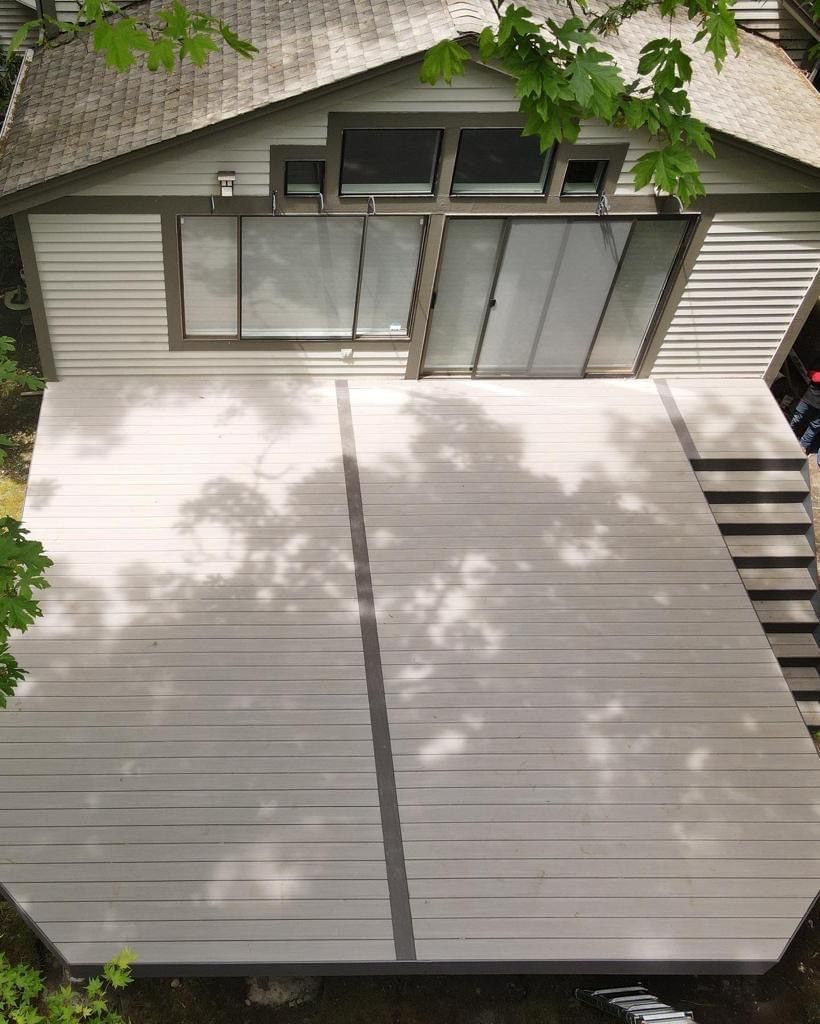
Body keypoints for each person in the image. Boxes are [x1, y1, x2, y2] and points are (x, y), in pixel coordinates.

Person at [789, 369, 820, 454]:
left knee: (814, 427)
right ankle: (788, 434)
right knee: (797, 418)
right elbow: (812, 375)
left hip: (809, 399)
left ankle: (803, 446)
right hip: (809, 399)